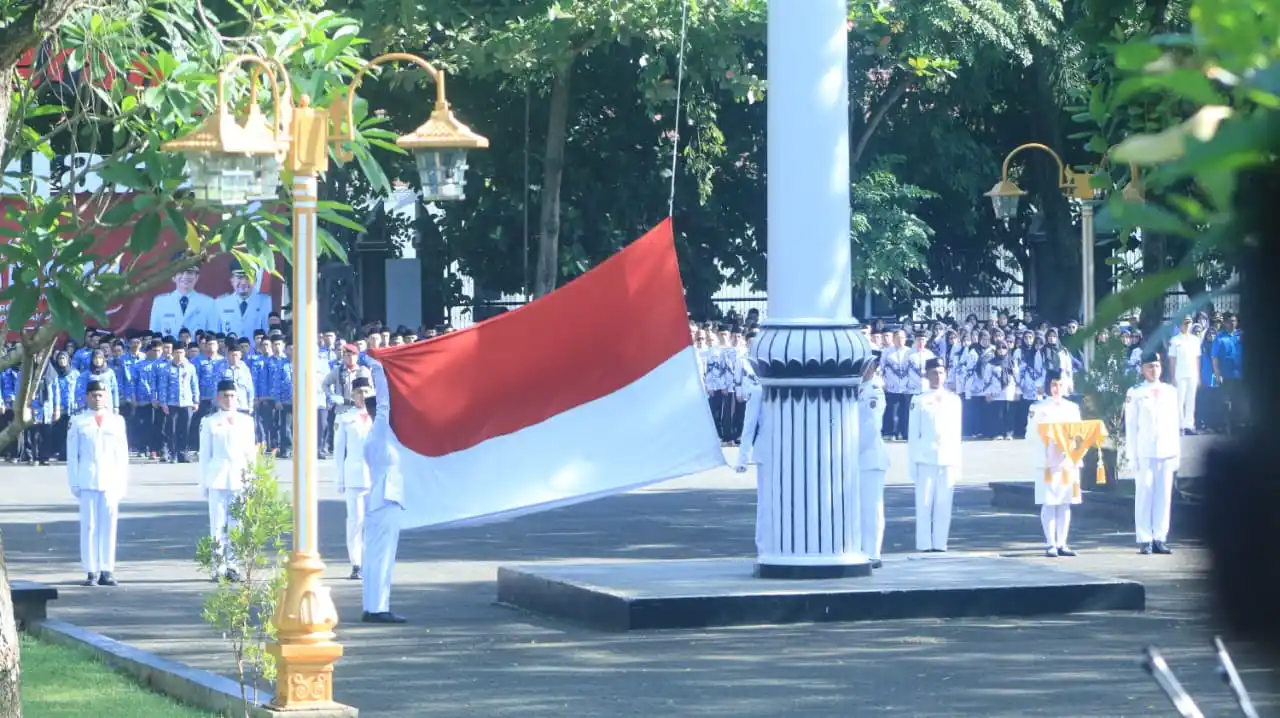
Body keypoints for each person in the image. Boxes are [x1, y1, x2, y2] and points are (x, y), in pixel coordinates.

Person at [66, 379, 129, 587]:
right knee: (90, 526)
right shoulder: (78, 421)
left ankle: (107, 569)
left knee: (109, 526)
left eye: (101, 394)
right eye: (93, 394)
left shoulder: (117, 421)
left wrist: (122, 482)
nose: (97, 397)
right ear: (87, 397)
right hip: (87, 478)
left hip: (111, 479)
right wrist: (74, 481)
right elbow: (72, 455)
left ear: (107, 396)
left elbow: (122, 455)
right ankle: (91, 570)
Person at [199, 379, 258, 581]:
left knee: (236, 524)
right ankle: (218, 565)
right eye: (225, 395)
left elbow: (251, 453)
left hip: (239, 476)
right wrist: (203, 483)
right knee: (217, 523)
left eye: (232, 395)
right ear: (218, 398)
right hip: (217, 475)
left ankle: (233, 564)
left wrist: (252, 479)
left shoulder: (246, 421)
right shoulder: (210, 421)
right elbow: (204, 455)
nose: (229, 399)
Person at [361, 365, 406, 623]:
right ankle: (379, 608)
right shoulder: (379, 433)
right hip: (385, 497)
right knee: (383, 556)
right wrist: (381, 371)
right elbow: (386, 405)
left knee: (375, 556)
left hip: (381, 497)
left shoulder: (376, 437)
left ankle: (372, 605)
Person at [1125, 352, 1182, 555]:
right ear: (1142, 369)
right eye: (1150, 366)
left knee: (1163, 496)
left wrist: (1177, 453)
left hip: (1166, 450)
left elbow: (1176, 424)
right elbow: (1130, 426)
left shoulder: (1170, 392)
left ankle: (1160, 537)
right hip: (1145, 451)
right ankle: (1145, 538)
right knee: (1144, 494)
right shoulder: (1136, 392)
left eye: (1157, 366)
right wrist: (1131, 454)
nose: (1154, 370)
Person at [1026, 369, 1083, 557]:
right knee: (1049, 502)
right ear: (1047, 385)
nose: (1056, 389)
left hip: (1067, 461)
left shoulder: (1072, 408)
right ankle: (1050, 543)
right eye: (1053, 385)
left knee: (1065, 502)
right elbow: (1031, 434)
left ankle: (1062, 543)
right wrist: (1047, 448)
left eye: (1059, 385)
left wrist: (1072, 448)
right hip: (1047, 461)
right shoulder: (1038, 408)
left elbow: (1079, 433)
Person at [907, 357, 963, 552]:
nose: (937, 377)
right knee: (924, 503)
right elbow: (913, 434)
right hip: (925, 457)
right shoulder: (919, 400)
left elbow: (957, 433)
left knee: (944, 503)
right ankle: (924, 544)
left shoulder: (954, 400)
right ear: (926, 375)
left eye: (940, 372)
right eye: (933, 373)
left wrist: (958, 462)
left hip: (947, 458)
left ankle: (940, 543)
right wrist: (912, 462)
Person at [336, 377, 375, 580]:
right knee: (355, 521)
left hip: (375, 476)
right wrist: (339, 478)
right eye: (359, 392)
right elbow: (338, 451)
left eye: (366, 391)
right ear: (352, 395)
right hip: (353, 475)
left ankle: (370, 561)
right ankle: (356, 563)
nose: (363, 395)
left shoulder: (378, 416)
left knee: (373, 522)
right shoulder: (345, 418)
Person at [856, 352, 889, 568]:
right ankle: (861, 549)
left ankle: (873, 552)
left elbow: (871, 427)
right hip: (857, 459)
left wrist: (852, 450)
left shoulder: (874, 391)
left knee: (872, 507)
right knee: (859, 508)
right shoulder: (859, 389)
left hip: (869, 457)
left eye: (866, 365)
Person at [149, 254, 215, 336]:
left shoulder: (208, 303)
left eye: (190, 272)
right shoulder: (160, 302)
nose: (185, 276)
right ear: (173, 276)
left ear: (197, 277)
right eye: (181, 272)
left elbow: (212, 336)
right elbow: (154, 335)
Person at [213, 259, 272, 340]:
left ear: (255, 280)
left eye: (248, 277)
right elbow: (216, 336)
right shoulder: (220, 303)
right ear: (232, 280)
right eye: (239, 277)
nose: (243, 282)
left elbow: (269, 333)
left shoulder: (265, 302)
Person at [1168, 317, 1202, 435]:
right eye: (1184, 323)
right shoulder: (1174, 340)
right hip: (1180, 373)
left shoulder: (1195, 340)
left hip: (1192, 373)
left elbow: (1197, 359)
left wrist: (1198, 376)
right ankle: (1180, 426)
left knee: (1191, 400)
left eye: (1189, 323)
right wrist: (1172, 377)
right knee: (1179, 401)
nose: (1187, 325)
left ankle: (1189, 425)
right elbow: (1172, 360)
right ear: (1180, 325)